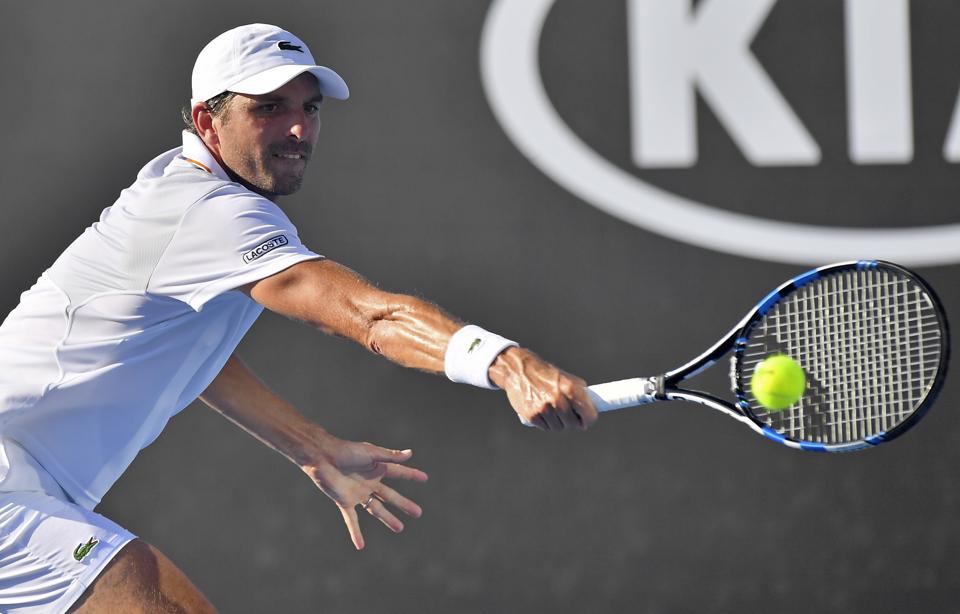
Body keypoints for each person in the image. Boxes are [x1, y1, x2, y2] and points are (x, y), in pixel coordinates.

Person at [0, 23, 598, 613]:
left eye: (309, 108)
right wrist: (503, 361)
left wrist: (312, 446)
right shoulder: (207, 212)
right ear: (208, 121)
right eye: (269, 108)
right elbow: (369, 318)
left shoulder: (180, 199)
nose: (297, 129)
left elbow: (183, 352)